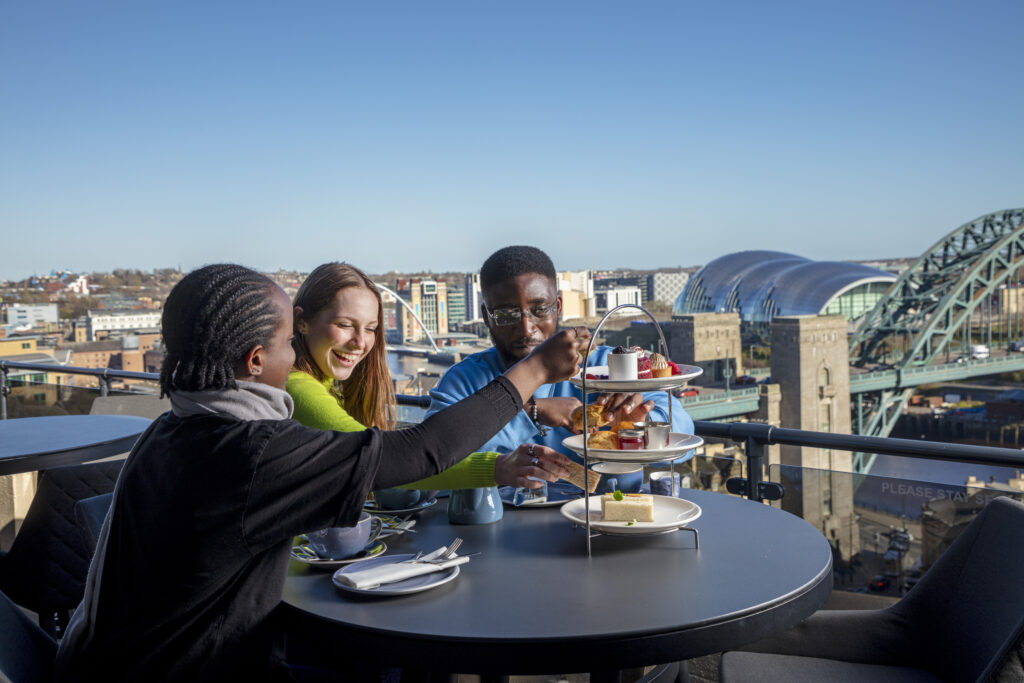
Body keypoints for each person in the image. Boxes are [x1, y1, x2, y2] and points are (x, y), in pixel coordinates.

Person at [55, 263, 585, 682]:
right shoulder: (251, 451)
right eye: (289, 343)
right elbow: (421, 453)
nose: (296, 359)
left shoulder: (177, 428)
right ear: (256, 360)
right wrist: (535, 370)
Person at [428, 245, 694, 496]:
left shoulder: (607, 368)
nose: (526, 328)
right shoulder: (464, 380)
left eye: (540, 309)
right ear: (486, 317)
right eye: (507, 315)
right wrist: (532, 412)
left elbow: (684, 434)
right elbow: (429, 461)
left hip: (607, 528)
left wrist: (639, 421)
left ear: (558, 306)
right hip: (499, 532)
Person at [287, 262, 572, 490]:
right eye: (345, 325)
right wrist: (535, 371)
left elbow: (400, 462)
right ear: (301, 322)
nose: (360, 342)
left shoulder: (323, 387)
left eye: (371, 328)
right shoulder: (297, 388)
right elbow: (391, 461)